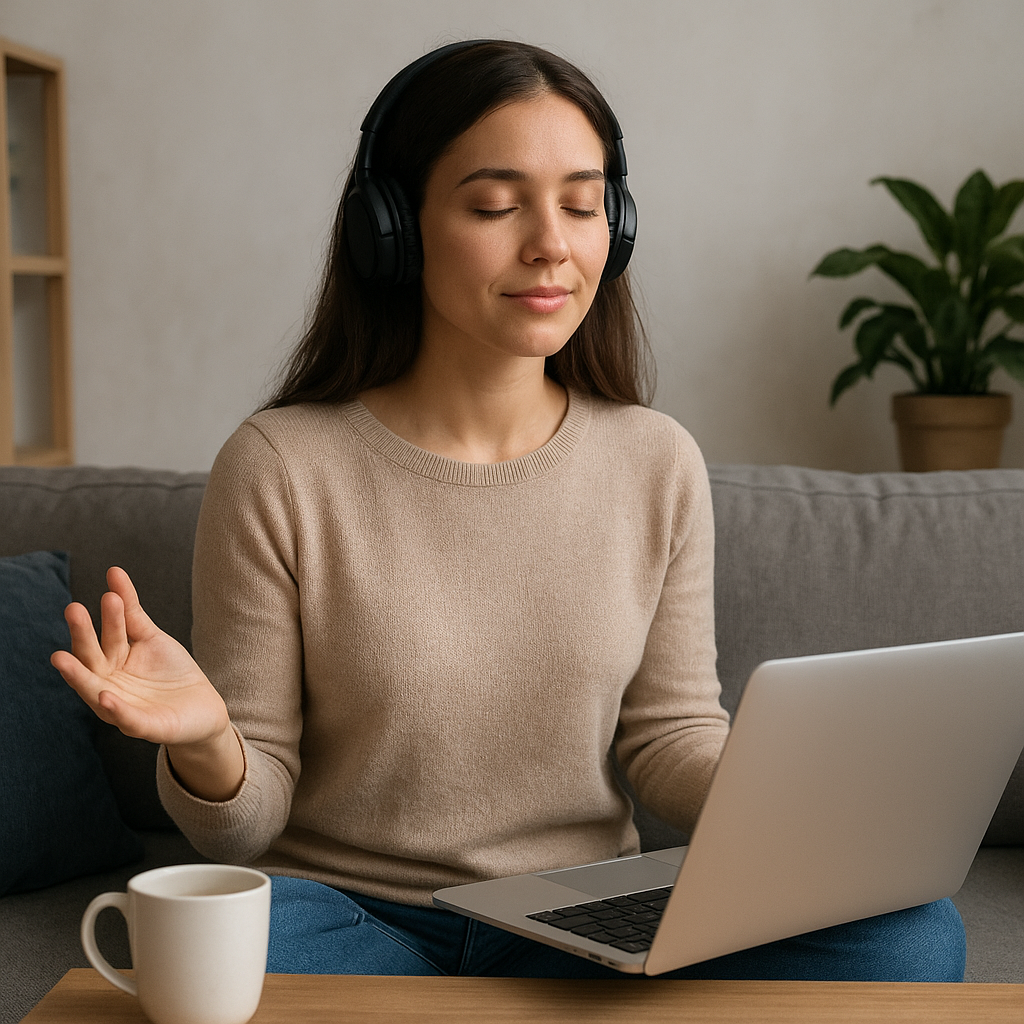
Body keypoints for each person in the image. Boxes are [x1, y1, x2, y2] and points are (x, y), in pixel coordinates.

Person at [52, 39, 965, 981]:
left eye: (582, 203)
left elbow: (669, 737)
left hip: (586, 916)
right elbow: (247, 828)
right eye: (495, 205)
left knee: (911, 934)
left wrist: (786, 798)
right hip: (355, 920)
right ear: (391, 228)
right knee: (245, 937)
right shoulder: (282, 464)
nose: (552, 245)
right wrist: (209, 740)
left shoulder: (656, 460)